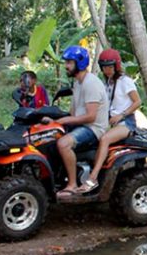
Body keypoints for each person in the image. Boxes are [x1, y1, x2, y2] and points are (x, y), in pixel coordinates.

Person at [41, 46, 109, 197]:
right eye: (66, 62)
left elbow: (91, 116)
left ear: (80, 63)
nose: (66, 66)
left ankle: (72, 184)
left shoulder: (91, 83)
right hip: (80, 125)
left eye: (70, 63)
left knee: (63, 143)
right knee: (49, 138)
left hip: (93, 128)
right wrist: (55, 121)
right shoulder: (78, 83)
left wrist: (65, 120)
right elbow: (74, 112)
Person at [79, 49, 141, 194]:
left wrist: (122, 114)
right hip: (108, 122)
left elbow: (137, 102)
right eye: (104, 67)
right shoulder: (107, 83)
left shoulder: (125, 81)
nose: (107, 70)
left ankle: (92, 178)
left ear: (116, 66)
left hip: (126, 122)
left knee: (105, 139)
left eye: (110, 67)